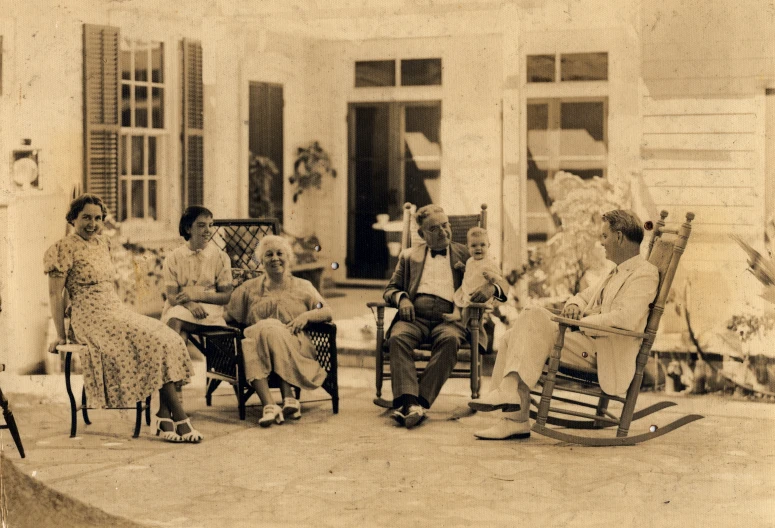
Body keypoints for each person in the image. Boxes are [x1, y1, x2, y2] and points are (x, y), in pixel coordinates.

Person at [469, 209, 659, 440]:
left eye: (605, 237)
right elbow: (584, 295)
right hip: (589, 341)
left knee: (533, 315)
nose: (601, 243)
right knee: (513, 334)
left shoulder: (644, 274)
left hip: (606, 350)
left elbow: (625, 319)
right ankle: (513, 419)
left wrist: (579, 323)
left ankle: (510, 400)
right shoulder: (614, 272)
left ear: (619, 237)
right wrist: (575, 305)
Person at [45, 194, 202, 443]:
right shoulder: (62, 248)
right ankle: (180, 418)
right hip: (90, 317)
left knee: (167, 336)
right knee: (152, 340)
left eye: (97, 218)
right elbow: (56, 293)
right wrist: (61, 334)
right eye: (86, 217)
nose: (92, 224)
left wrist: (119, 311)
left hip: (114, 310)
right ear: (73, 218)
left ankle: (163, 414)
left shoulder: (102, 244)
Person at [384, 204, 509, 429]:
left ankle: (416, 402)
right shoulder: (409, 256)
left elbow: (503, 283)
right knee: (397, 338)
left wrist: (492, 288)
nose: (443, 232)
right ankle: (412, 404)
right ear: (421, 234)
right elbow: (390, 289)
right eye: (434, 229)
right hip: (414, 317)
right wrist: (402, 298)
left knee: (450, 340)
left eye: (445, 225)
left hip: (451, 317)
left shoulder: (467, 253)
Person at [225, 235, 331, 428]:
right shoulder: (248, 289)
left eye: (280, 253)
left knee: (268, 329)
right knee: (252, 339)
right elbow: (228, 316)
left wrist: (305, 317)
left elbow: (326, 311)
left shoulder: (303, 286)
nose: (275, 258)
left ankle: (271, 405)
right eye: (269, 254)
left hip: (296, 347)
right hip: (257, 346)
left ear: (288, 258)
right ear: (261, 261)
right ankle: (282, 400)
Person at [161, 206, 233, 342]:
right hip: (180, 306)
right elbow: (171, 296)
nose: (208, 231)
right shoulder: (174, 257)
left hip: (209, 310)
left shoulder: (220, 257)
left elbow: (225, 297)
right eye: (201, 226)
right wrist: (189, 303)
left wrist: (197, 296)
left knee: (175, 321)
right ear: (188, 228)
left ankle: (172, 362)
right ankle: (179, 362)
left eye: (210, 225)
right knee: (178, 327)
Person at [443, 227, 504, 324]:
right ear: (467, 247)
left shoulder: (489, 262)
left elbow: (498, 277)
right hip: (467, 288)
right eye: (474, 245)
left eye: (482, 245)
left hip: (479, 292)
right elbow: (470, 272)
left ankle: (462, 325)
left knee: (468, 310)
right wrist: (462, 267)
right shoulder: (470, 261)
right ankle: (456, 313)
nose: (478, 248)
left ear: (488, 245)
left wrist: (491, 276)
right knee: (456, 297)